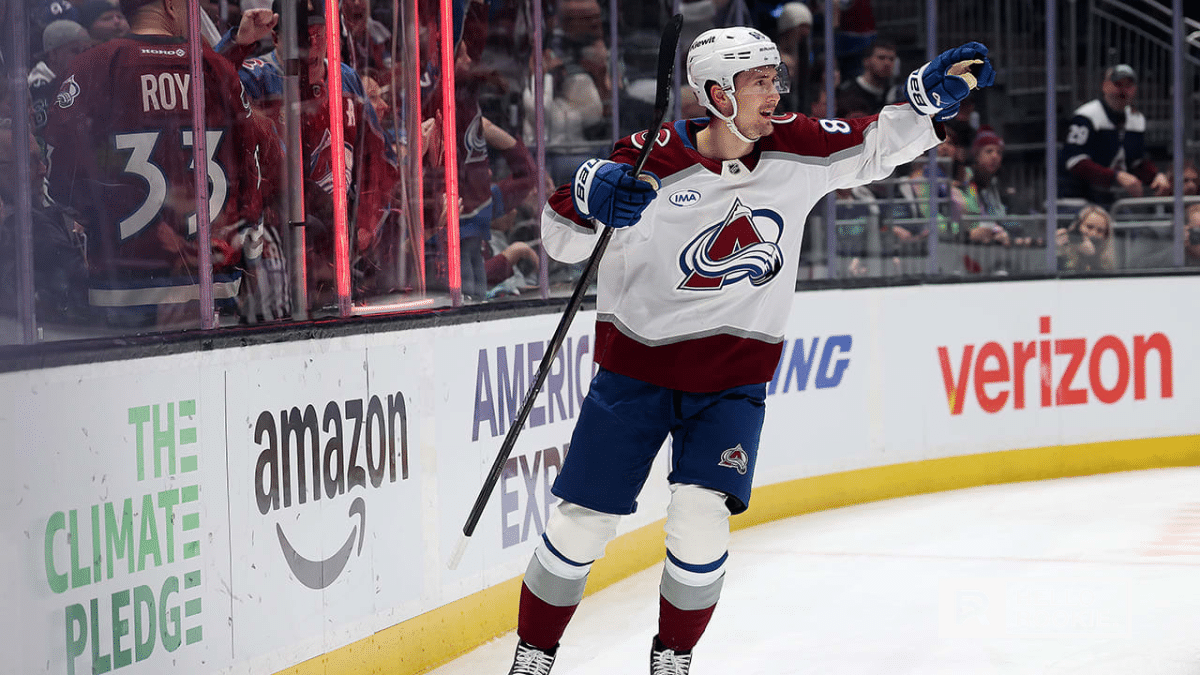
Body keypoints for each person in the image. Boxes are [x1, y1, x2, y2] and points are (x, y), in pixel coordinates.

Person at [506, 27, 994, 675]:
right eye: (758, 81)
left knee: (701, 517)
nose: (774, 92)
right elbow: (564, 241)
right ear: (715, 94)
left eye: (775, 78)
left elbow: (873, 144)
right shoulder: (646, 158)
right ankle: (534, 654)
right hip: (636, 372)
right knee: (582, 523)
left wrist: (922, 103)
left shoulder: (797, 145)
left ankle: (672, 658)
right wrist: (592, 196)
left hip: (733, 380)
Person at [44, 0, 276, 329]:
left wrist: (99, 217)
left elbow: (60, 178)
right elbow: (252, 173)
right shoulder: (214, 68)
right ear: (170, 4)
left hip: (120, 286)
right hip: (211, 286)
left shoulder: (94, 65)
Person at [1059, 64, 1170, 208]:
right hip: (1077, 197)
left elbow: (1137, 161)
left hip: (1111, 199)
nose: (1122, 91)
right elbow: (1075, 162)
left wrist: (1155, 176)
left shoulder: (1136, 119)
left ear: (1134, 89)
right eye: (1117, 84)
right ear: (1105, 86)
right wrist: (1116, 176)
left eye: (1128, 85)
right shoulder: (1086, 116)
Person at [29, 20, 93, 141]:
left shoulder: (81, 79)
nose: (83, 58)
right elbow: (50, 136)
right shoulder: (38, 85)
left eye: (86, 52)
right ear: (53, 53)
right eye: (75, 51)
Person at [835, 38, 898, 117]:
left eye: (891, 59)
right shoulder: (847, 94)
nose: (887, 63)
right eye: (881, 58)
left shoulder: (896, 93)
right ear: (866, 61)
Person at [1056, 203, 1117, 272]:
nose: (1093, 234)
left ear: (1106, 236)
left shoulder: (1106, 264)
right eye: (1089, 227)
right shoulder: (1063, 251)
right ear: (1078, 226)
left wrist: (1091, 258)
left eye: (1100, 231)